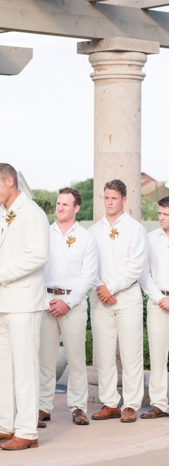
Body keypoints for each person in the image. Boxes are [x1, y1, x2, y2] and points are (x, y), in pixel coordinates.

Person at [0, 163, 49, 451]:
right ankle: (4, 425)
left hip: (22, 303)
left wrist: (0, 273)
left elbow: (39, 256)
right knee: (2, 369)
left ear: (10, 182)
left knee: (24, 368)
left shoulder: (32, 213)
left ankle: (27, 431)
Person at [88, 179, 146, 423]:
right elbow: (88, 265)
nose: (109, 202)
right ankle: (110, 402)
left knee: (131, 352)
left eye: (114, 198)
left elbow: (135, 267)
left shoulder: (135, 229)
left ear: (124, 200)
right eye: (106, 198)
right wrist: (102, 289)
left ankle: (131, 404)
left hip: (128, 297)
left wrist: (110, 288)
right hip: (100, 297)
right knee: (103, 352)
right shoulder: (92, 231)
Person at [38, 187, 97, 427]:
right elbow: (36, 268)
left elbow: (88, 276)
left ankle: (78, 408)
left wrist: (68, 302)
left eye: (65, 204)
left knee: (76, 359)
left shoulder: (86, 238)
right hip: (46, 302)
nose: (60, 208)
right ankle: (43, 407)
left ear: (76, 208)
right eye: (58, 203)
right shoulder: (43, 234)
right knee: (45, 359)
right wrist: (44, 299)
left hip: (73, 303)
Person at [139, 196, 169, 419]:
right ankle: (159, 404)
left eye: (166, 214)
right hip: (157, 304)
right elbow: (143, 273)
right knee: (157, 357)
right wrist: (160, 298)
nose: (161, 218)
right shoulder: (150, 239)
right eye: (159, 213)